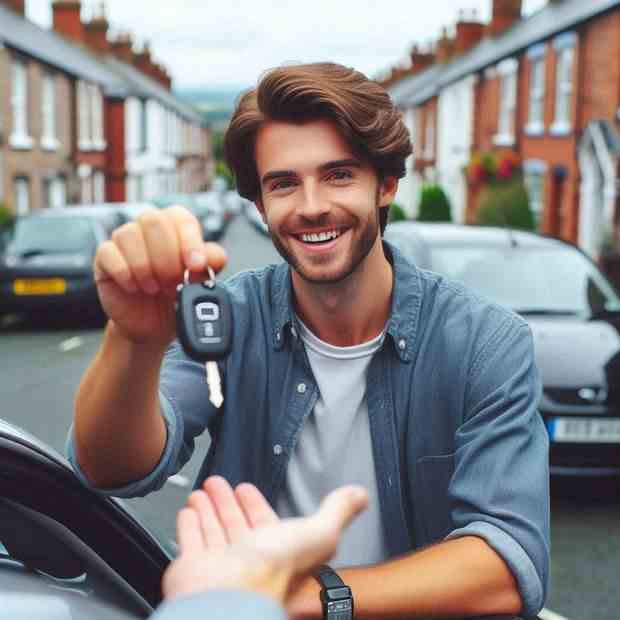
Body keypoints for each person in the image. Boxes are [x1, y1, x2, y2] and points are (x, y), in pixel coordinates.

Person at [68, 62, 550, 619]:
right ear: (259, 205)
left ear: (386, 183)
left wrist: (300, 598)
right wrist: (134, 340)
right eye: (284, 183)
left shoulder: (486, 341)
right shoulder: (232, 315)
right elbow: (111, 468)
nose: (312, 204)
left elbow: (508, 566)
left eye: (339, 174)